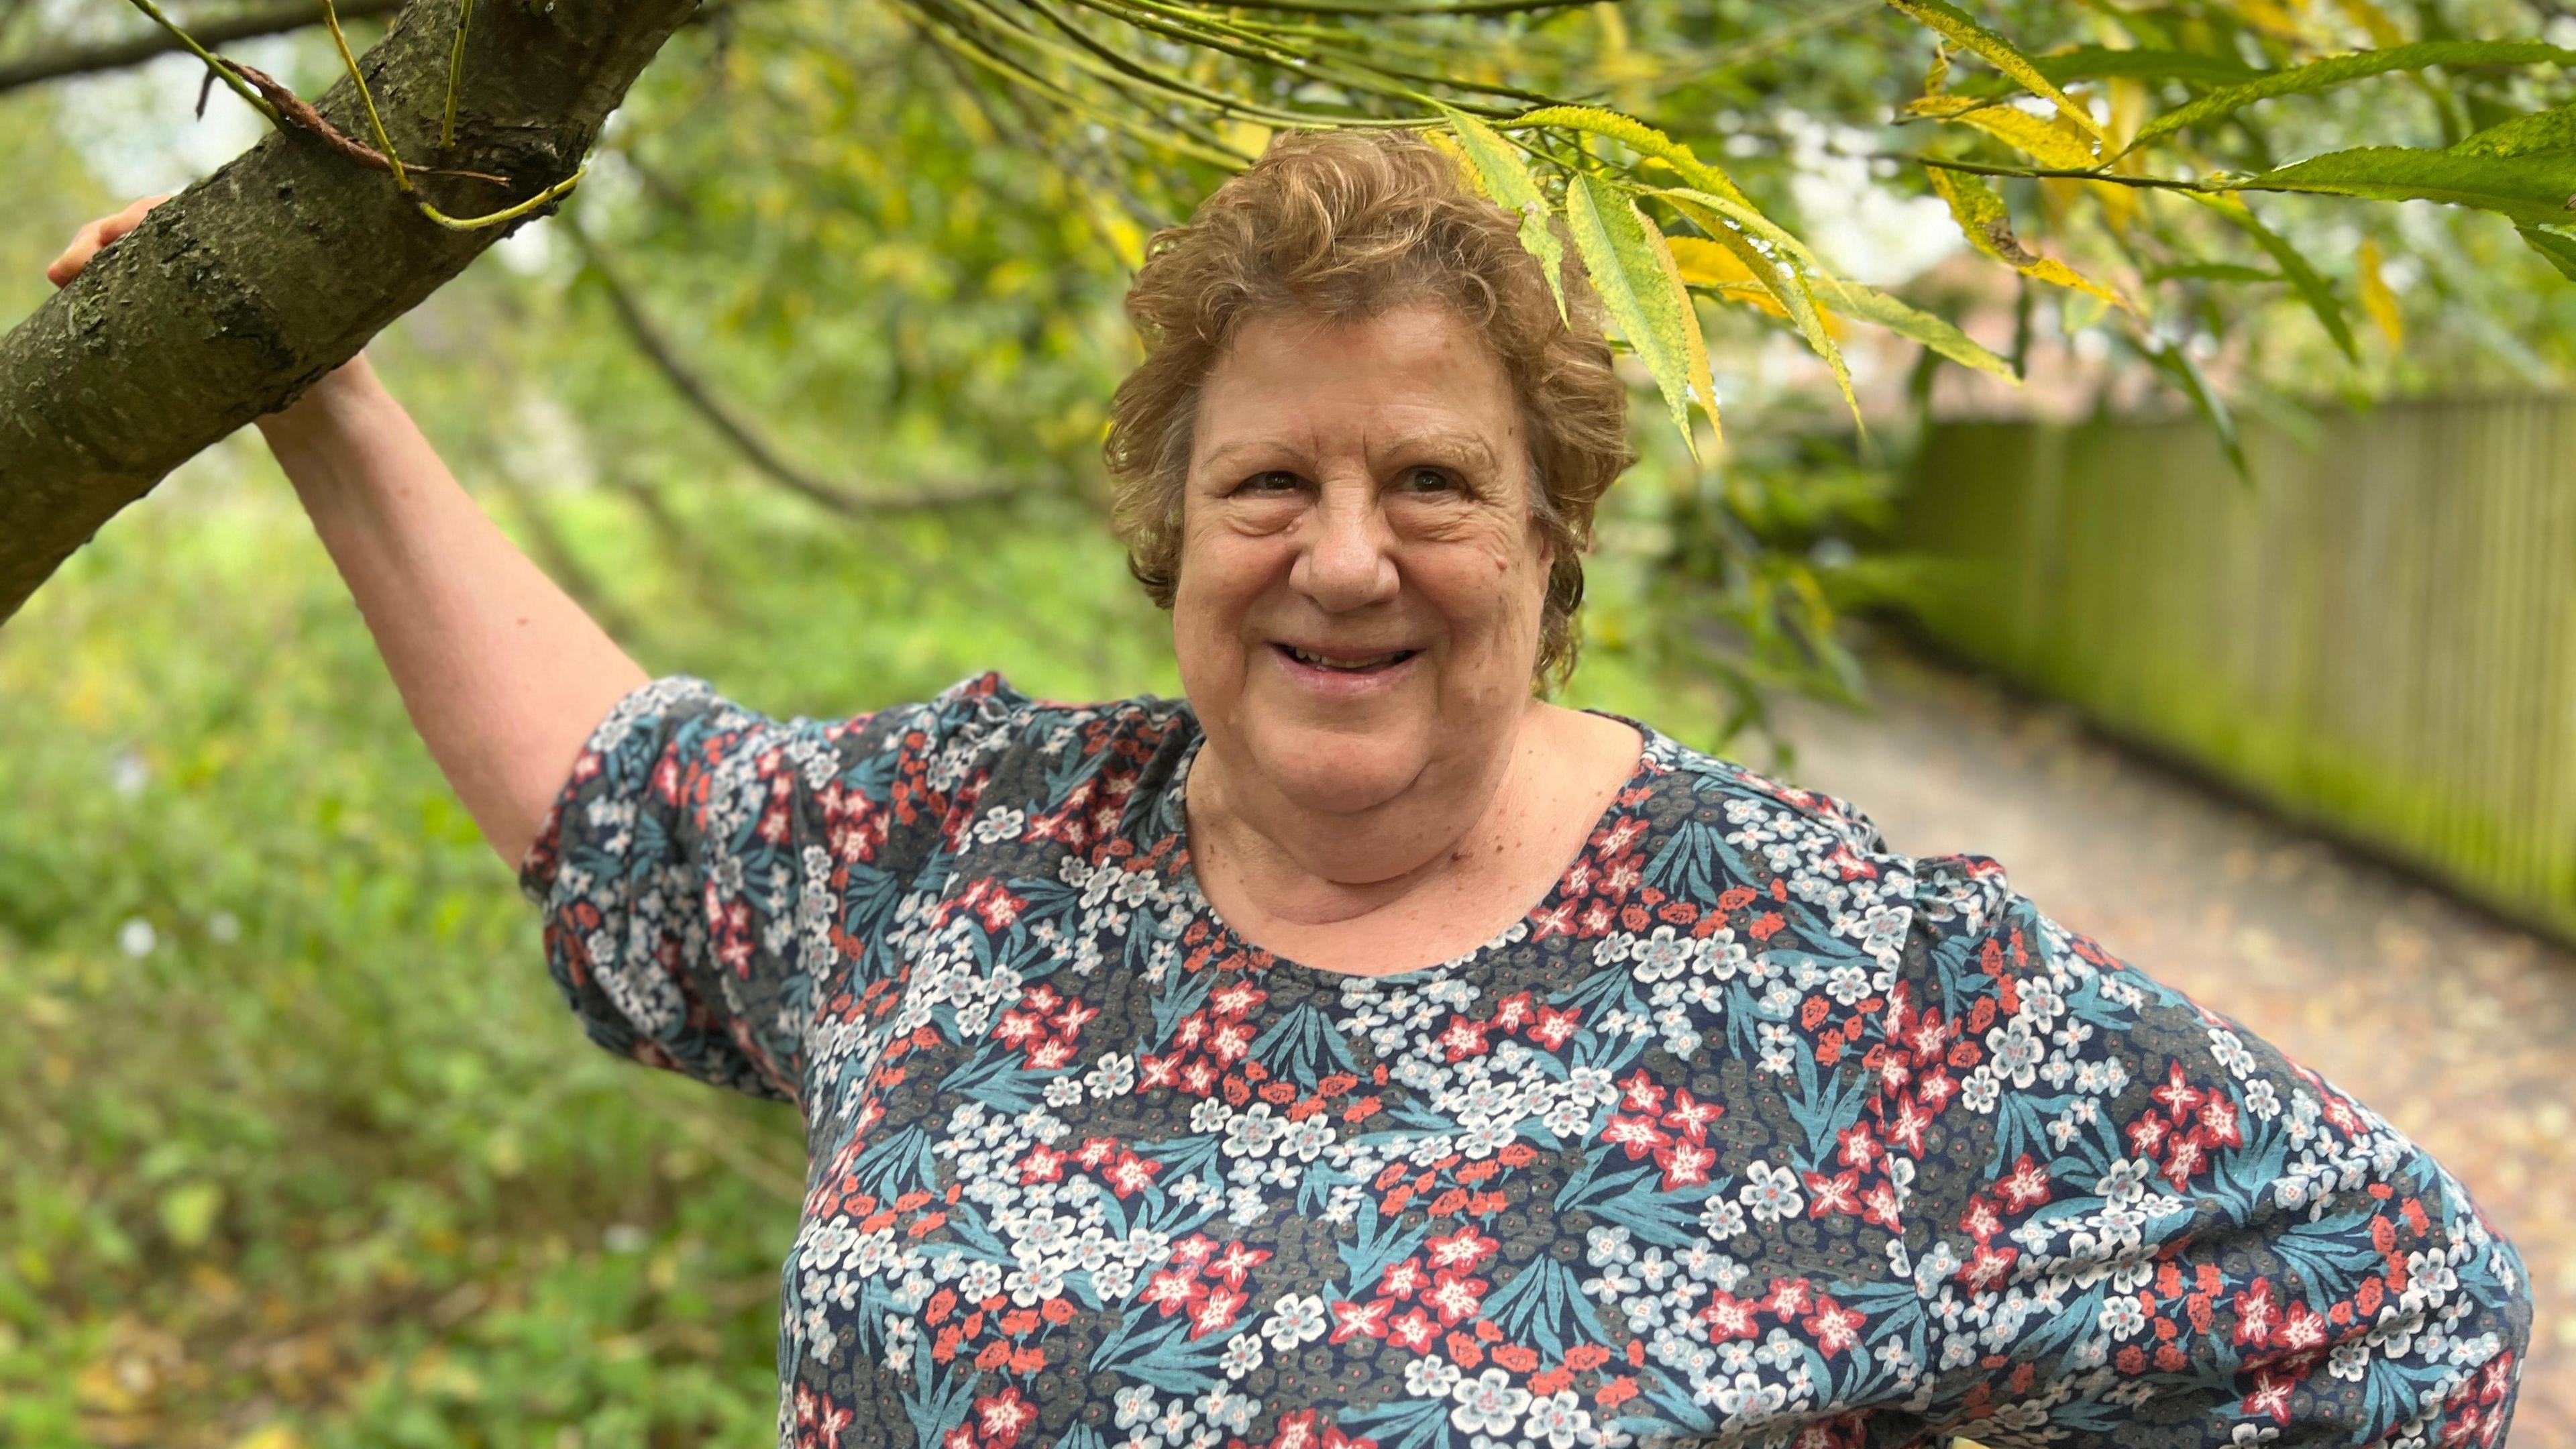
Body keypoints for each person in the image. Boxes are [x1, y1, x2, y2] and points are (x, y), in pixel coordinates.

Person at [50, 130, 2529, 1449]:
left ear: (1552, 546)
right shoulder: (964, 853)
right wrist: (310, 386)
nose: (1346, 559)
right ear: (1169, 537)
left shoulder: (1845, 978)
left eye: (1434, 485)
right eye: (1269, 488)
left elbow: (2403, 1318)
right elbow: (611, 793)